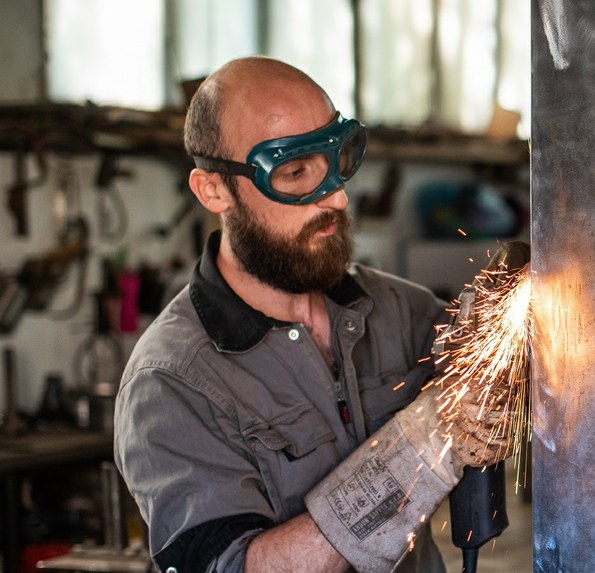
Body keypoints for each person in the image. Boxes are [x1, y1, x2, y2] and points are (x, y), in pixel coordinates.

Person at [114, 56, 511, 573]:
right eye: (296, 172)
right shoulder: (170, 384)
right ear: (213, 189)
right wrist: (420, 447)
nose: (338, 197)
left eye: (336, 159)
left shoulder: (396, 309)